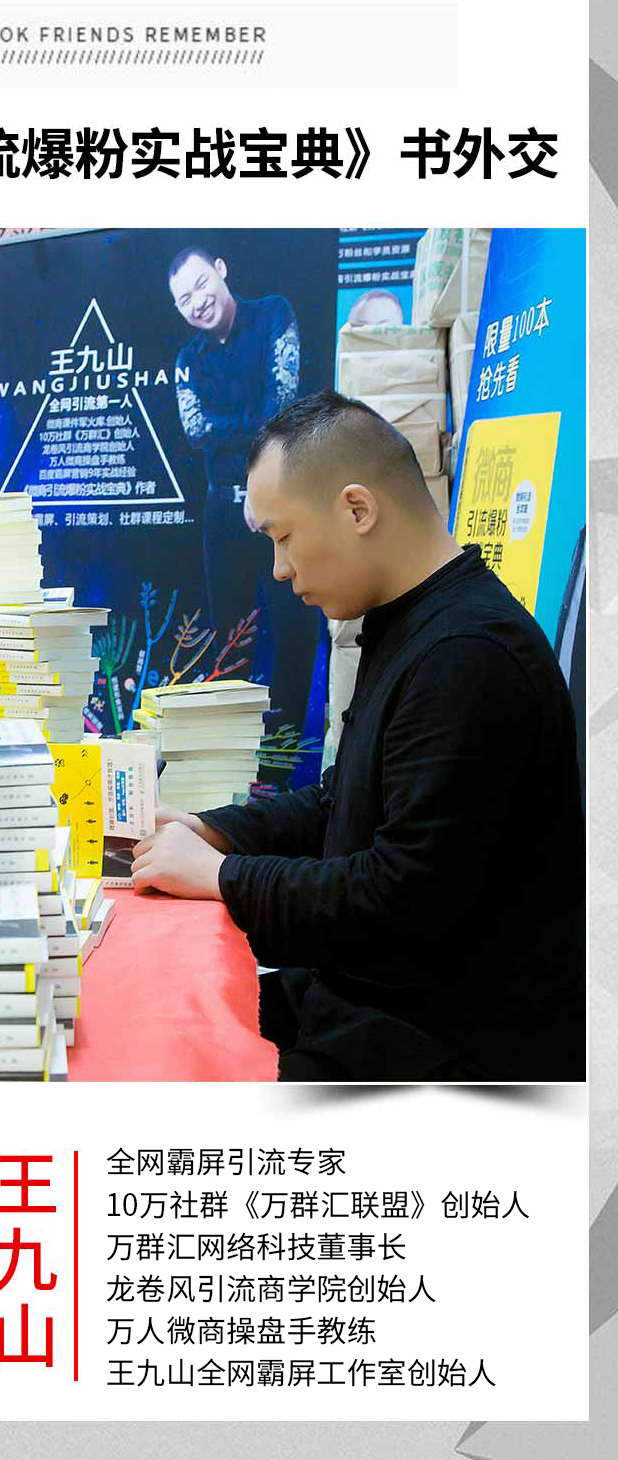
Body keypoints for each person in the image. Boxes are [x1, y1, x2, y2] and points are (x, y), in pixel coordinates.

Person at [132, 391, 584, 1082]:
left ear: (356, 510)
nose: (279, 569)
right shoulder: (410, 623)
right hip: (373, 1004)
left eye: (284, 537)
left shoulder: (468, 656)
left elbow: (399, 900)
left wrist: (222, 877)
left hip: (443, 1042)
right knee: (161, 1019)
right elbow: (340, 801)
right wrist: (211, 830)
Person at [169, 246, 321, 773]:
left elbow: (284, 402)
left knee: (295, 638)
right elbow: (195, 431)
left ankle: (278, 773)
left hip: (282, 510)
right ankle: (231, 774)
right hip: (222, 517)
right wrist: (254, 422)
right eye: (183, 299)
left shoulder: (274, 314)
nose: (197, 302)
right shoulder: (188, 361)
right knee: (230, 643)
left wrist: (256, 480)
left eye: (200, 284)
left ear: (221, 270)